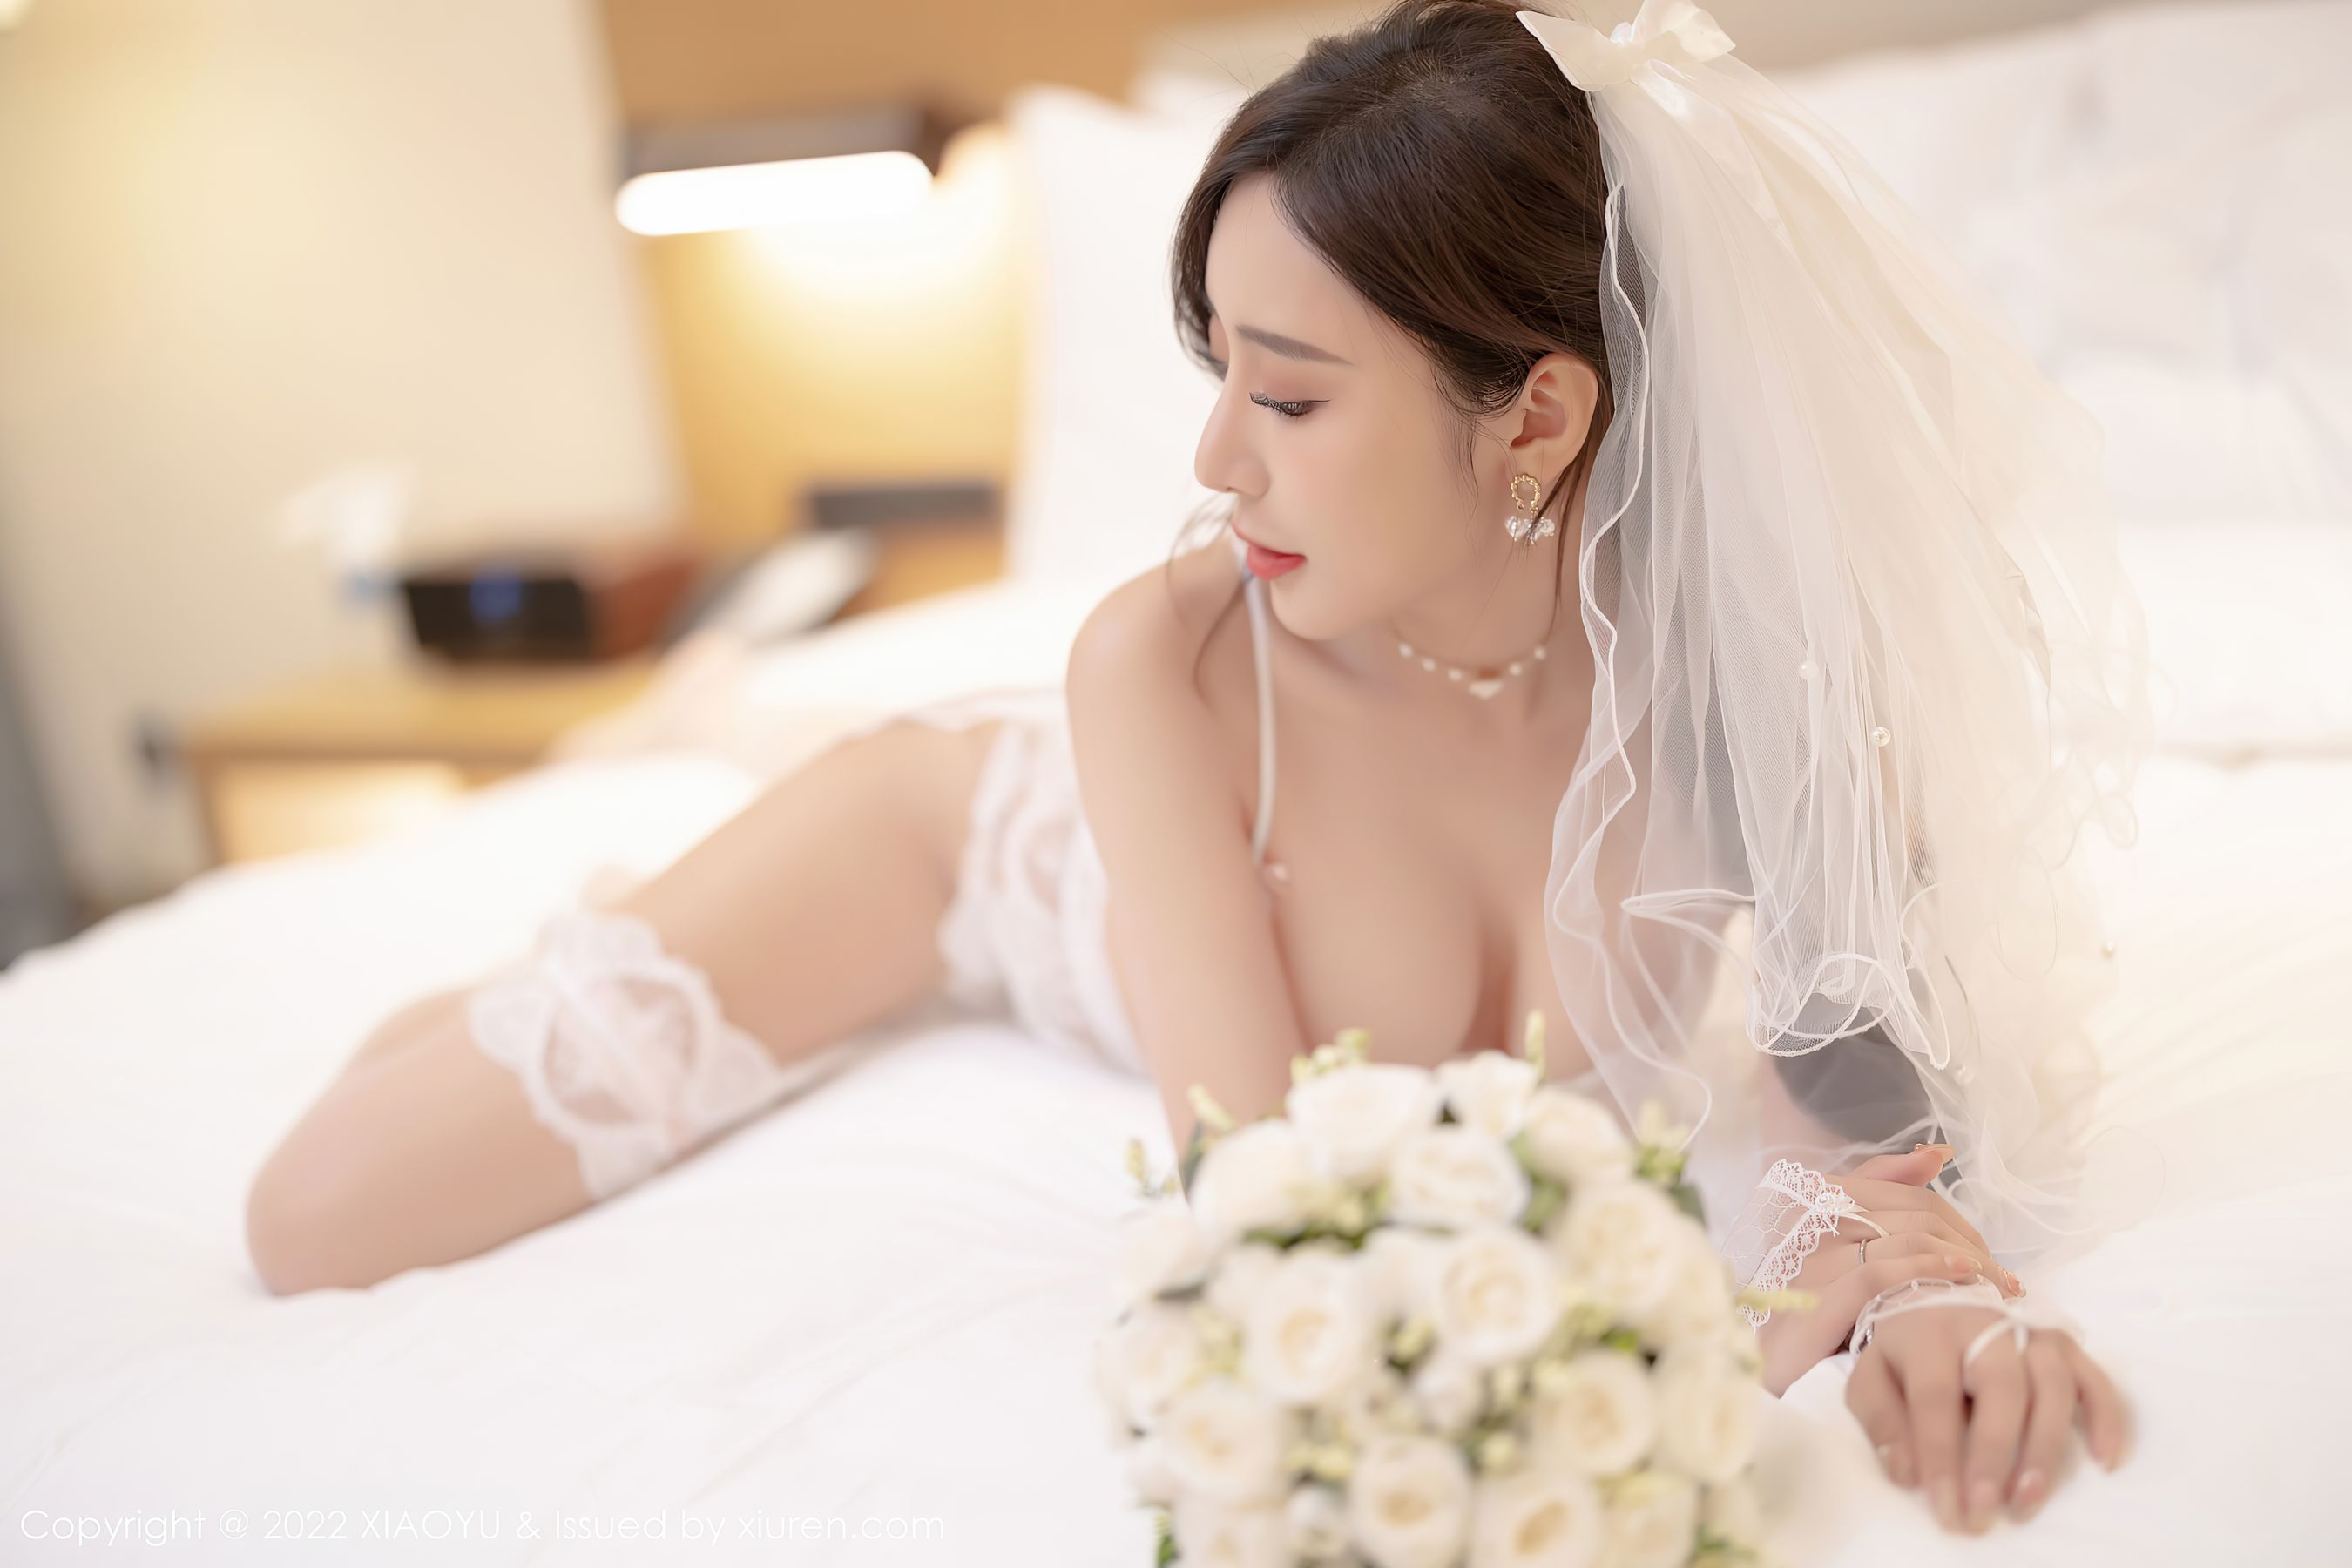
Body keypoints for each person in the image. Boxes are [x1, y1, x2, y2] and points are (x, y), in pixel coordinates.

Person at [247, 0, 2149, 1538]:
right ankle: (555, 955)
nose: (1217, 460)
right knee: (322, 1216)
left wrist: (1918, 1281)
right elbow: (1264, 1214)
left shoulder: (1757, 666)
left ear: (1540, 417)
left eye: (1291, 394)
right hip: (944, 845)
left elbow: (1852, 1107)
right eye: (1216, 369)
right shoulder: (1155, 666)